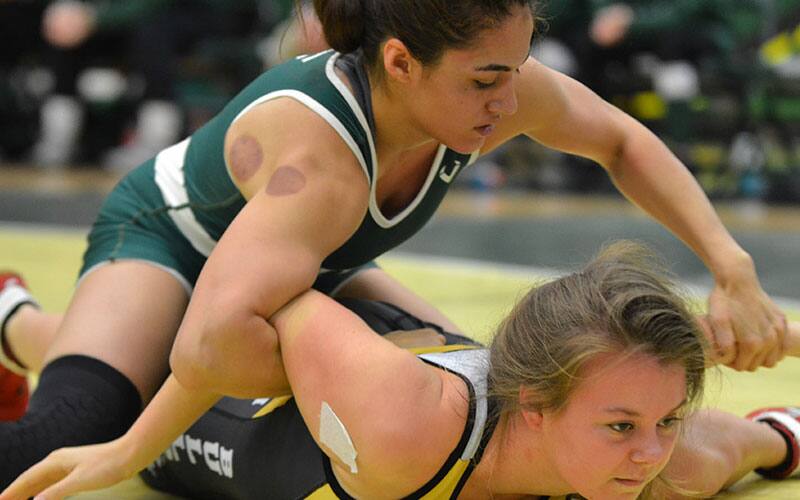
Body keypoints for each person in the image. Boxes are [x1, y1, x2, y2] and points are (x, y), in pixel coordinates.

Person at [0, 0, 789, 488]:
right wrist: (131, 449)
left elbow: (620, 142)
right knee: (75, 426)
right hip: (172, 242)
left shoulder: (489, 86)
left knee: (481, 383)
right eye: (486, 79)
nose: (511, 100)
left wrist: (733, 267)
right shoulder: (321, 165)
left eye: (516, 68)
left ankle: (22, 315)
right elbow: (209, 345)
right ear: (401, 63)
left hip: (309, 263)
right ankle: (26, 327)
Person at [3, 243, 799, 499]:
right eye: (624, 426)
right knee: (104, 403)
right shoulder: (400, 426)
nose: (650, 450)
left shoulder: (668, 460)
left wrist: (778, 435)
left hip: (419, 347)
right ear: (534, 407)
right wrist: (127, 450)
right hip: (299, 367)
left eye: (665, 421)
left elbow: (769, 438)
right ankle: (18, 325)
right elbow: (264, 302)